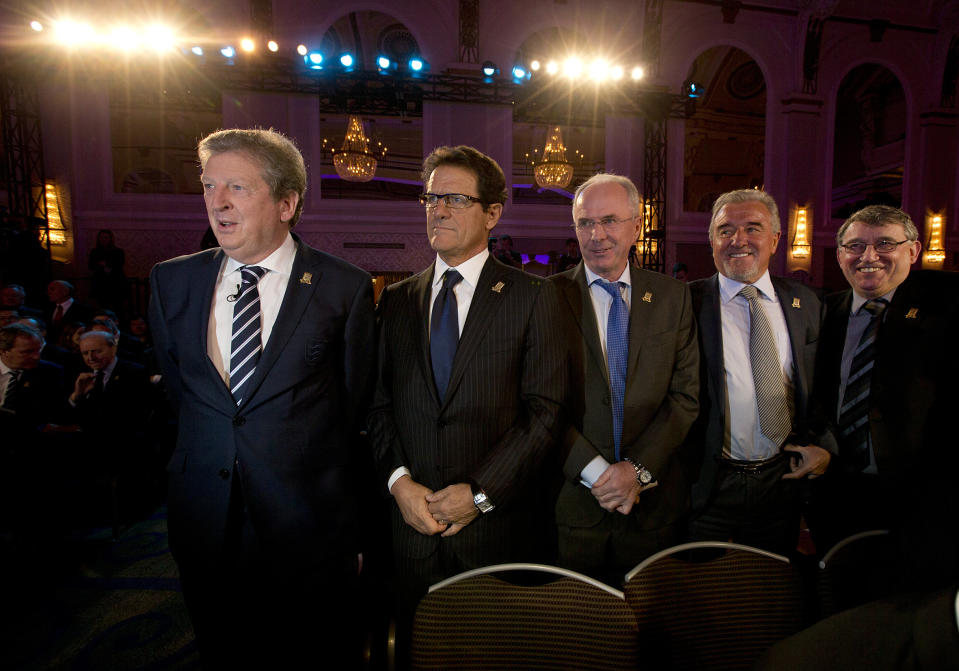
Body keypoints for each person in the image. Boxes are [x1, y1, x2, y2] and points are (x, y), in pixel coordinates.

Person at [149, 128, 375, 667]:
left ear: (286, 203)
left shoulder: (343, 286)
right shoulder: (170, 282)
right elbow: (182, 394)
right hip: (204, 519)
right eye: (209, 186)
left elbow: (356, 410)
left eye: (237, 188)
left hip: (308, 526)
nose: (217, 202)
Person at [367, 145, 566, 659]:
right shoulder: (396, 300)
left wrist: (479, 494)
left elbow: (544, 414)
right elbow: (378, 405)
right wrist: (400, 484)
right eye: (431, 198)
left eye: (455, 198)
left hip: (496, 532)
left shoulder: (533, 296)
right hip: (411, 532)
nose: (439, 209)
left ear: (493, 213)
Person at [550, 174, 699, 584]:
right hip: (574, 506)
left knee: (651, 630)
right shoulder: (545, 298)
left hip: (654, 507)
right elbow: (539, 405)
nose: (596, 235)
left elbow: (684, 397)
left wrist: (636, 470)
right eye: (585, 223)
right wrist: (597, 471)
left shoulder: (673, 297)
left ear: (636, 226)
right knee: (578, 631)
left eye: (610, 220)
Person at [810, 205, 959, 589]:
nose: (868, 256)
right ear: (840, 254)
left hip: (924, 503)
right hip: (838, 496)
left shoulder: (946, 309)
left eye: (885, 244)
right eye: (855, 245)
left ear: (914, 251)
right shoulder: (823, 313)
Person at [686, 189, 830, 556]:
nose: (739, 240)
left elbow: (827, 387)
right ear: (711, 240)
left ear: (776, 239)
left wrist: (825, 447)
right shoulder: (684, 303)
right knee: (695, 591)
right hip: (708, 483)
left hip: (781, 481)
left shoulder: (807, 303)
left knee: (771, 593)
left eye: (753, 228)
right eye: (725, 230)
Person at [88, 229, 127, 310]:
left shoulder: (118, 251)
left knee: (118, 308)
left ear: (110, 239)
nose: (103, 240)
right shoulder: (95, 252)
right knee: (103, 308)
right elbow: (91, 266)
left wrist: (105, 264)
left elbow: (120, 264)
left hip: (116, 284)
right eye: (101, 237)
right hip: (101, 284)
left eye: (106, 237)